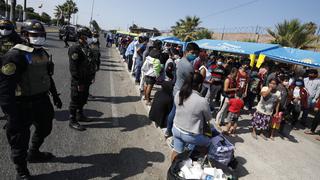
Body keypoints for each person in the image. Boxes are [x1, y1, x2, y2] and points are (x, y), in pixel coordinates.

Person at [0, 19, 62, 180]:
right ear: (24, 35)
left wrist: (55, 95)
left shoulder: (42, 53)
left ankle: (34, 152)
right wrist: (10, 114)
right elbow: (5, 90)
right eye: (34, 35)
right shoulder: (15, 55)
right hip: (22, 104)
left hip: (42, 100)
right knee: (20, 140)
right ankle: (21, 171)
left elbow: (47, 76)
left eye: (41, 35)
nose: (38, 38)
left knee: (46, 127)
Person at [171, 72, 212, 161]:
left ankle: (172, 169)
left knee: (176, 151)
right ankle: (199, 161)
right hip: (190, 135)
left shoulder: (178, 94)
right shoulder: (202, 101)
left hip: (176, 129)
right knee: (208, 142)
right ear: (200, 85)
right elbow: (209, 118)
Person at [165, 43, 200, 138]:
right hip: (182, 92)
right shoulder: (189, 66)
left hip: (176, 89)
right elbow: (191, 81)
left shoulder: (180, 61)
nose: (195, 56)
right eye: (193, 53)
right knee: (176, 113)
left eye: (196, 54)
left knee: (173, 111)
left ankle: (168, 130)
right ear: (186, 52)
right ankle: (171, 131)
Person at [68, 27, 95, 131]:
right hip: (78, 80)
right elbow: (73, 68)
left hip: (86, 79)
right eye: (87, 36)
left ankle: (80, 115)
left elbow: (90, 62)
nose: (89, 38)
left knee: (83, 98)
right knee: (75, 99)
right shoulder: (75, 48)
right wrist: (78, 82)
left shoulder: (86, 47)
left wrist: (92, 76)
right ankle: (72, 120)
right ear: (81, 36)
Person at [0, 19, 23, 120]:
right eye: (1, 28)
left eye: (7, 28)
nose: (4, 30)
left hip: (12, 70)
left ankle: (11, 115)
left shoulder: (17, 39)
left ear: (12, 28)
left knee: (12, 93)